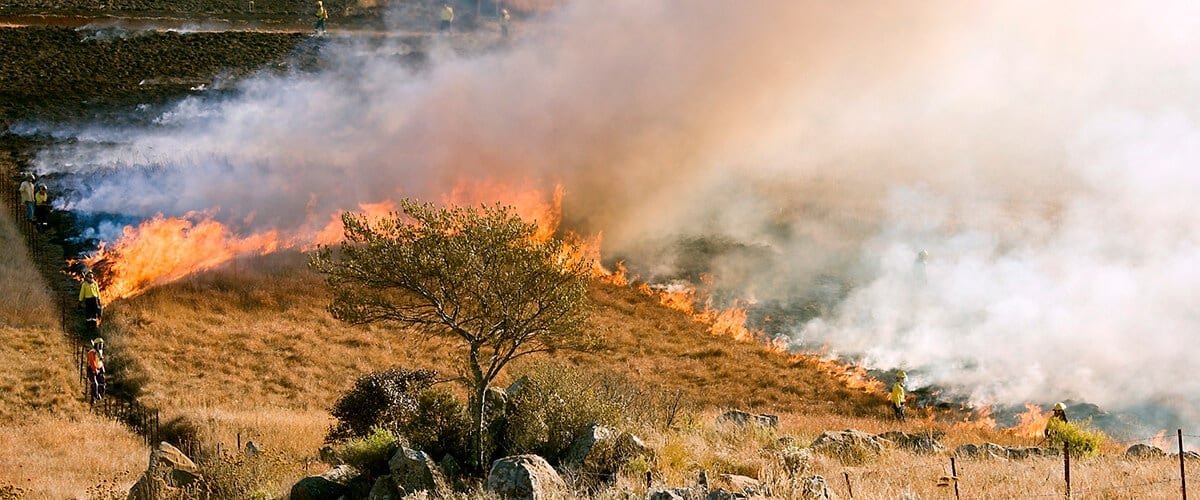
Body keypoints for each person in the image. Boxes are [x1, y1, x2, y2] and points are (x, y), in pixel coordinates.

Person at [86, 338, 106, 402]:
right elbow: (92, 362)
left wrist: (102, 368)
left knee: (102, 384)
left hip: (99, 369)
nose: (101, 346)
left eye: (102, 345)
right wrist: (95, 369)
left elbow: (100, 361)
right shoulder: (92, 352)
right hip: (92, 370)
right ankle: (95, 397)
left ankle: (100, 396)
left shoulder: (100, 352)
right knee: (95, 384)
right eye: (100, 345)